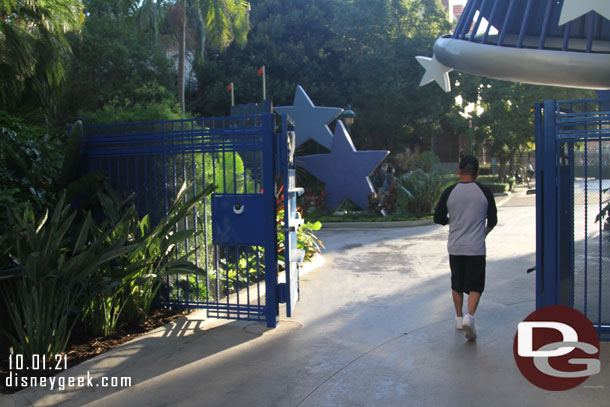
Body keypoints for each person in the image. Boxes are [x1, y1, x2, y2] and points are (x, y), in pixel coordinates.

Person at [433, 155, 497, 341]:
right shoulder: (485, 192)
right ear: (477, 172)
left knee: (457, 282)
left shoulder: (449, 191)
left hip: (455, 245)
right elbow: (492, 220)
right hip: (476, 247)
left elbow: (438, 218)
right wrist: (482, 233)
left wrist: (451, 221)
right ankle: (470, 316)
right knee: (476, 284)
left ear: (459, 171)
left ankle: (459, 318)